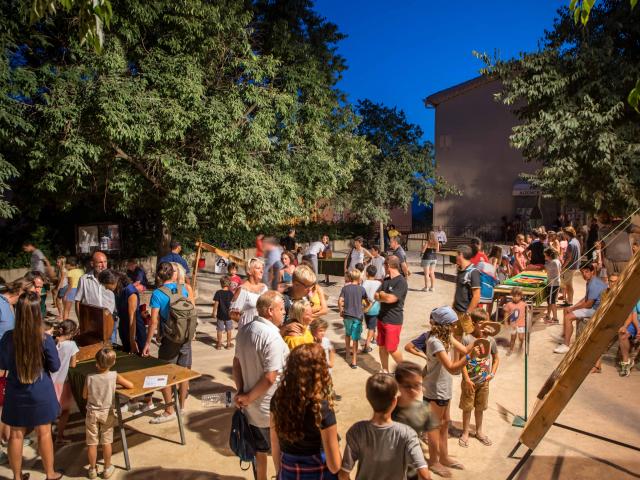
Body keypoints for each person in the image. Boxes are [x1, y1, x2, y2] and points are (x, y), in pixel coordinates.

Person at [404, 306, 478, 478]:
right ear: (444, 325)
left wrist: (481, 340)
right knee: (434, 427)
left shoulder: (447, 337)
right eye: (452, 324)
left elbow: (466, 349)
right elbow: (452, 367)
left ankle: (444, 457)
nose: (454, 327)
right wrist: (469, 358)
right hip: (435, 390)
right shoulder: (435, 342)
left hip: (444, 387)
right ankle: (434, 461)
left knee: (445, 423)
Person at [0, 292, 63, 480]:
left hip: (16, 390)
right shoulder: (44, 338)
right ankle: (50, 474)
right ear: (37, 313)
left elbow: (2, 364)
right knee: (44, 434)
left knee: (16, 436)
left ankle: (17, 477)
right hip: (40, 390)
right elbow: (55, 366)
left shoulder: (8, 338)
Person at [233, 291, 290, 480]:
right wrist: (247, 397)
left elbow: (236, 363)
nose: (284, 312)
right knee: (277, 452)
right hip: (269, 408)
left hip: (252, 408)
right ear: (269, 311)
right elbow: (270, 377)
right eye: (281, 309)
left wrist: (242, 392)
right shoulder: (271, 337)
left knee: (259, 451)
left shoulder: (245, 330)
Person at [339, 373, 431, 480]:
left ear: (368, 398)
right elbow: (425, 475)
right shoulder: (408, 433)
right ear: (394, 401)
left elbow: (343, 474)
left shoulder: (357, 431)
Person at [270, 343, 341, 479]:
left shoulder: (278, 398)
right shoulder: (321, 406)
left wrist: (281, 472)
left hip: (288, 471)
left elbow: (274, 442)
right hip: (318, 472)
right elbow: (334, 466)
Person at [143, 262, 192, 423]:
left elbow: (154, 322)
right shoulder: (182, 289)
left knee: (163, 373)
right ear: (174, 274)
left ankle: (169, 410)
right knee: (184, 373)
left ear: (158, 276)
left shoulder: (157, 294)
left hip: (170, 339)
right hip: (185, 337)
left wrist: (147, 343)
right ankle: (182, 407)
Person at [83, 348, 134, 479]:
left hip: (92, 413)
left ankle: (92, 469)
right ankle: (107, 468)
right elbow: (130, 385)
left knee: (92, 442)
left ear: (96, 363)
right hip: (107, 413)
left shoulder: (90, 377)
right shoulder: (114, 375)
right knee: (106, 441)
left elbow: (84, 395)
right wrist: (113, 386)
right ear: (113, 362)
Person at [458, 309, 499, 448]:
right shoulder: (467, 339)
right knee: (467, 408)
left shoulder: (491, 340)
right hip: (469, 382)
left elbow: (496, 358)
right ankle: (465, 433)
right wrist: (467, 380)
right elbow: (461, 361)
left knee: (480, 408)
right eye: (481, 323)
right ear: (474, 323)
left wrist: (492, 374)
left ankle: (479, 432)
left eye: (486, 322)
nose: (484, 326)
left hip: (484, 381)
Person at [392, 362, 439, 480]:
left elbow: (433, 439)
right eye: (407, 386)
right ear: (397, 385)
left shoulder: (424, 409)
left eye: (417, 385)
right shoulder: (388, 408)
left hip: (413, 465)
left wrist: (433, 462)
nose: (412, 390)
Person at [552, 263, 607, 354]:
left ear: (592, 272)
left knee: (568, 317)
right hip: (593, 307)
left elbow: (589, 304)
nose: (584, 274)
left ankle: (566, 345)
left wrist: (573, 309)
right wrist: (573, 307)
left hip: (597, 310)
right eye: (582, 272)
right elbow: (586, 298)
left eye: (587, 272)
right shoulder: (591, 281)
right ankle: (564, 336)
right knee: (566, 309)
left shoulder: (594, 284)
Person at [98, 269, 146, 355]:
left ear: (112, 281)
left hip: (135, 331)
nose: (105, 288)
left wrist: (133, 341)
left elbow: (132, 319)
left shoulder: (130, 292)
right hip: (124, 327)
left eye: (105, 285)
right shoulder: (117, 289)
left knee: (139, 357)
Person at [375, 256, 408, 372]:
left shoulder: (401, 282)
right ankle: (385, 370)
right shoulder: (387, 279)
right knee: (382, 347)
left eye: (384, 266)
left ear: (388, 266)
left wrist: (382, 295)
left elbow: (391, 299)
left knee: (392, 348)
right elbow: (375, 295)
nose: (384, 268)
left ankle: (406, 370)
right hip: (381, 318)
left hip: (393, 321)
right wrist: (383, 295)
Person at [51, 320, 79, 444]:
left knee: (50, 410)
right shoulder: (72, 345)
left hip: (49, 380)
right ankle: (59, 437)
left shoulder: (52, 341)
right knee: (65, 410)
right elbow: (73, 365)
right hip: (62, 381)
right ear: (72, 332)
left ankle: (48, 433)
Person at [339, 269, 369, 369]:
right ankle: (354, 361)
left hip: (347, 315)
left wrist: (341, 311)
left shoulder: (345, 288)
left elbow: (340, 301)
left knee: (348, 334)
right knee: (355, 339)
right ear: (358, 277)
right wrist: (365, 309)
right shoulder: (361, 289)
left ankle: (347, 353)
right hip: (357, 316)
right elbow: (367, 301)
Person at [597, 210, 640, 279]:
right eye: (600, 218)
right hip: (609, 263)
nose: (602, 219)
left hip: (624, 261)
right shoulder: (601, 231)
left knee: (626, 283)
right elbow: (601, 245)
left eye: (603, 216)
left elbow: (636, 229)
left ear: (608, 216)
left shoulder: (621, 224)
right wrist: (599, 245)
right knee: (613, 285)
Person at [74, 251, 114, 321]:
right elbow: (78, 302)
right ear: (92, 264)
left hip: (109, 320)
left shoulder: (114, 278)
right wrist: (81, 321)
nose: (104, 265)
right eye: (100, 262)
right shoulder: (84, 279)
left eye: (105, 262)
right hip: (91, 321)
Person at [230, 257, 268, 328]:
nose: (262, 271)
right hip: (248, 332)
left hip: (263, 329)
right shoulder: (243, 289)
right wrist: (247, 326)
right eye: (258, 268)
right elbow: (232, 314)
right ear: (249, 271)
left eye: (262, 268)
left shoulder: (264, 288)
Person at [453, 245, 481, 337]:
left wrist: (468, 312)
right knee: (457, 337)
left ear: (461, 255)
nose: (455, 257)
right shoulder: (460, 270)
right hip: (457, 310)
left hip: (466, 313)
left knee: (473, 338)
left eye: (457, 254)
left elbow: (476, 296)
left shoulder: (473, 272)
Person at [362, 265, 381, 354]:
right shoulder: (378, 283)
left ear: (366, 273)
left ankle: (375, 338)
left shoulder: (364, 283)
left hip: (366, 308)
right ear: (375, 273)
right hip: (375, 308)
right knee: (371, 327)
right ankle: (367, 345)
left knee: (371, 325)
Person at [618, 298, 639, 377]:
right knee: (622, 333)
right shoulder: (637, 297)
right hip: (636, 323)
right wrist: (625, 326)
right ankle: (626, 361)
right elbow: (633, 316)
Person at [561, 226, 581, 306]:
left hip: (570, 267)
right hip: (574, 266)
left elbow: (568, 258)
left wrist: (562, 267)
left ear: (566, 234)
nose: (563, 235)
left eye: (564, 233)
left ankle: (569, 302)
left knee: (568, 285)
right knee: (569, 284)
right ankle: (569, 300)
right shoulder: (576, 241)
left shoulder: (570, 244)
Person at [212, 276, 234, 350]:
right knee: (229, 330)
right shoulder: (231, 293)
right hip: (228, 315)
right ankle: (228, 344)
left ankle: (219, 344)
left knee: (219, 330)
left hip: (220, 315)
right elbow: (233, 304)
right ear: (229, 284)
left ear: (221, 284)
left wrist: (213, 312)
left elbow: (216, 303)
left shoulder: (218, 293)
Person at [503, 287, 527, 355]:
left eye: (518, 296)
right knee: (513, 338)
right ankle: (511, 349)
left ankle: (521, 345)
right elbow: (506, 314)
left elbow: (528, 312)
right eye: (514, 296)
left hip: (521, 324)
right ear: (511, 295)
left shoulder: (524, 304)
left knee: (521, 337)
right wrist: (505, 322)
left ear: (521, 296)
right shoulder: (509, 304)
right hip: (513, 325)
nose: (516, 297)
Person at [544, 248, 562, 325]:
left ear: (549, 256)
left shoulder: (553, 262)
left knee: (552, 301)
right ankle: (548, 315)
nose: (544, 257)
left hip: (553, 284)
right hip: (554, 283)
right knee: (550, 301)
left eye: (545, 255)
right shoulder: (557, 261)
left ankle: (555, 318)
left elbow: (546, 269)